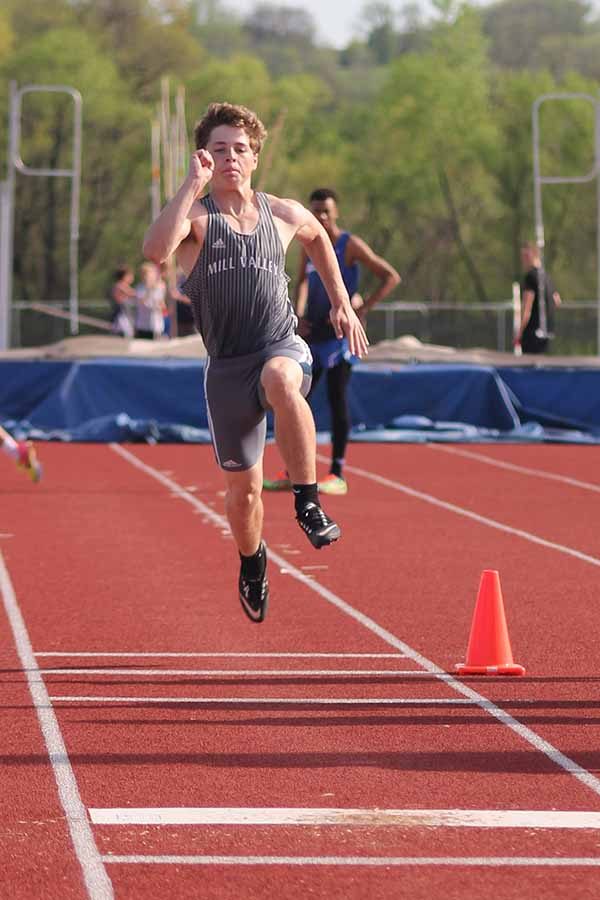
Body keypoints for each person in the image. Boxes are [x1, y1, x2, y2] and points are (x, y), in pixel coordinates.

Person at [142, 102, 368, 624]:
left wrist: (337, 300)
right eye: (218, 150)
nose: (230, 158)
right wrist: (188, 186)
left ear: (255, 157)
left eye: (239, 149)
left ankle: (308, 502)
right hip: (225, 368)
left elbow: (318, 238)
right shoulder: (197, 219)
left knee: (280, 379)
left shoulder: (282, 212)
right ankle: (252, 560)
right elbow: (155, 251)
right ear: (205, 157)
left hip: (280, 345)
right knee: (243, 496)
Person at [264, 187, 401, 495]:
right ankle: (294, 469)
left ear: (336, 212)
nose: (321, 216)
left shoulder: (348, 244)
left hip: (339, 340)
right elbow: (300, 282)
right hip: (313, 336)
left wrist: (360, 310)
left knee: (337, 398)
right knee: (297, 402)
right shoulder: (308, 244)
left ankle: (337, 472)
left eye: (326, 210)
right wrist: (298, 315)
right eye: (315, 211)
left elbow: (390, 276)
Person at [515, 242, 561, 355]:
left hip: (532, 333)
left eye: (525, 256)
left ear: (533, 255)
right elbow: (557, 301)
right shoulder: (546, 277)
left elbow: (527, 308)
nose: (523, 260)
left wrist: (519, 333)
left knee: (529, 368)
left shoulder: (530, 277)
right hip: (546, 332)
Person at [134, 262, 167, 340]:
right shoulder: (140, 288)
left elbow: (162, 305)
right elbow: (142, 303)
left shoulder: (159, 288)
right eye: (146, 275)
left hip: (156, 325)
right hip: (143, 325)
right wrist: (149, 289)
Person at [109, 265, 136, 338]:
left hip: (125, 315)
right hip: (120, 316)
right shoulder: (120, 285)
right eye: (130, 275)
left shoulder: (122, 286)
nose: (132, 277)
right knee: (124, 334)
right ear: (125, 276)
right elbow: (134, 294)